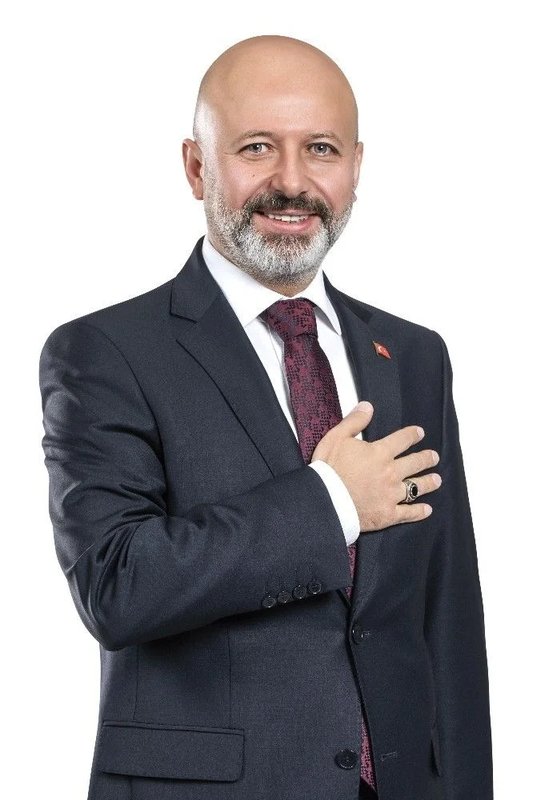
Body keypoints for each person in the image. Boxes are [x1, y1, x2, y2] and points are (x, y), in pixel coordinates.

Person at [38, 34, 493, 800]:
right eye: (255, 147)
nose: (291, 181)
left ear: (354, 166)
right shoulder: (105, 351)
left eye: (320, 148)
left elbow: (445, 618)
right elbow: (115, 587)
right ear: (196, 166)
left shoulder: (412, 354)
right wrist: (331, 500)